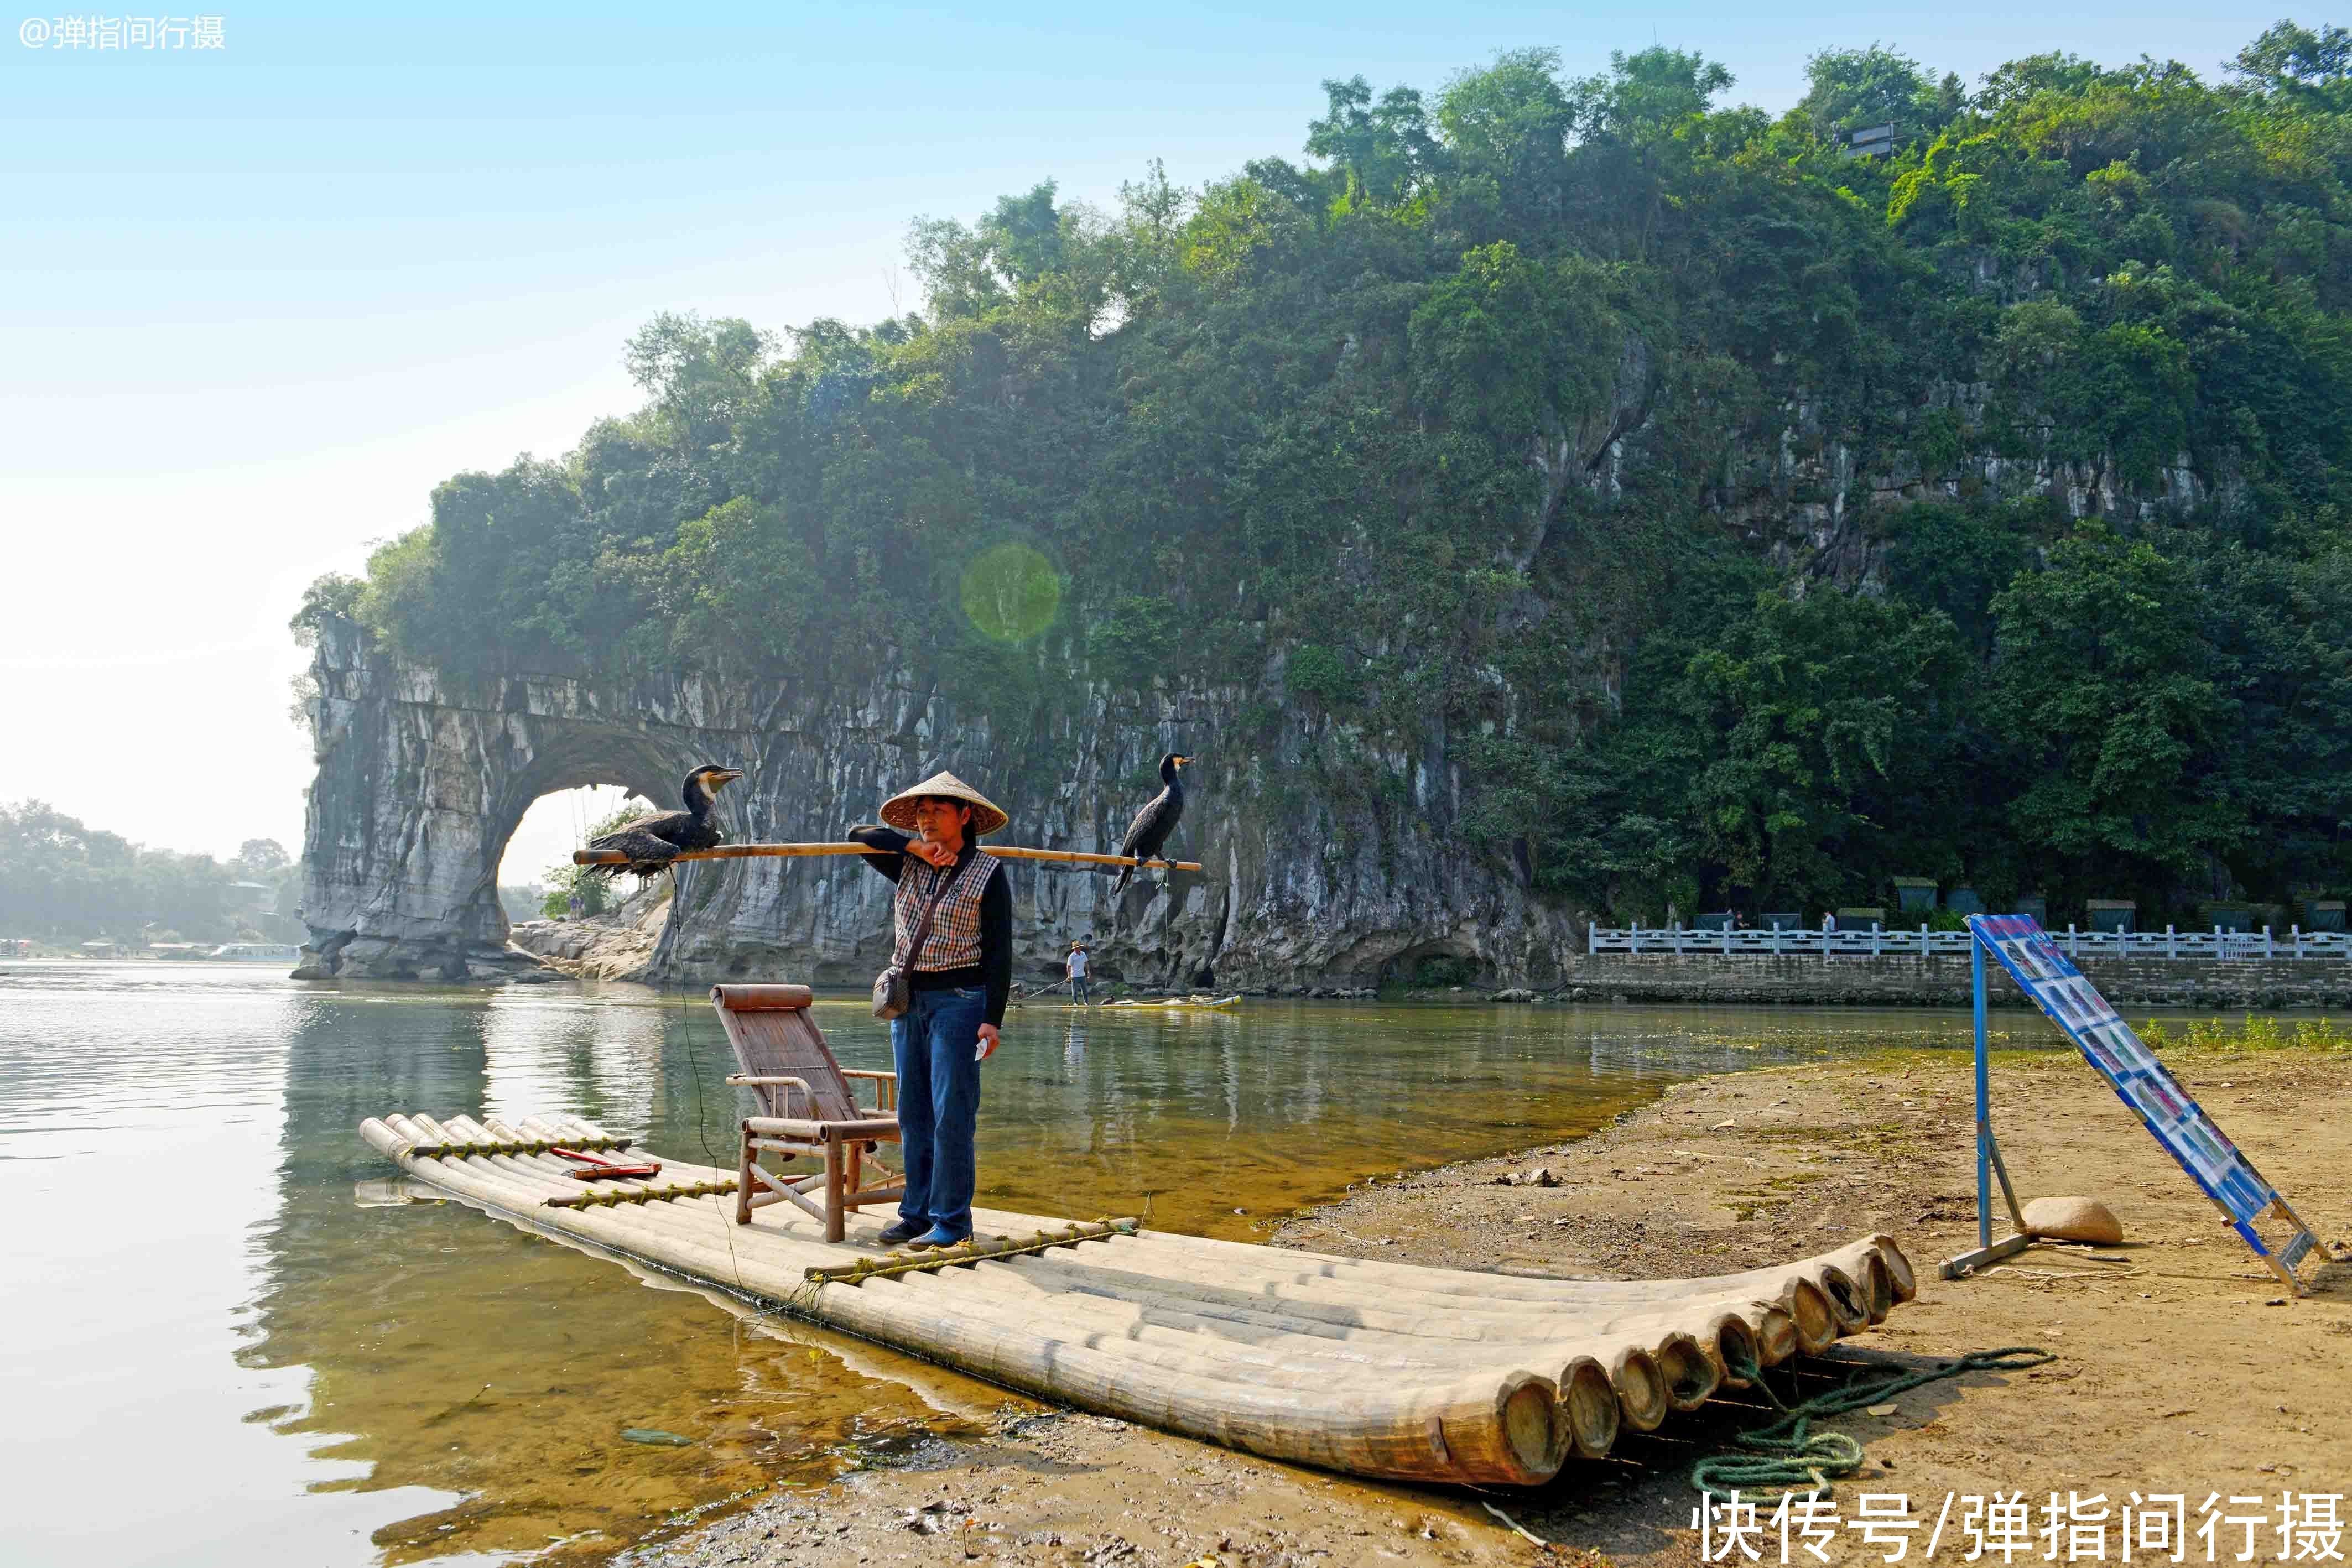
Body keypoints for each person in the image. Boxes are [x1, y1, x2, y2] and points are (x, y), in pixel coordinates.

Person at [847, 771, 1011, 1251]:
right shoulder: (907, 864)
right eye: (921, 812)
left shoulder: (988, 873)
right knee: (913, 1113)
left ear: (965, 816)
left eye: (938, 810)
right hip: (907, 1002)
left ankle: (952, 1220)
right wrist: (911, 848)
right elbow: (858, 837)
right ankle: (915, 1214)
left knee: (951, 1113)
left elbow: (1000, 953)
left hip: (961, 1003)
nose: (927, 819)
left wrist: (992, 1019)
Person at [1066, 939, 1090, 1006]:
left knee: (1085, 990)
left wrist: (1088, 972)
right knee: (1075, 991)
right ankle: (1075, 1003)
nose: (1080, 948)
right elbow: (1068, 967)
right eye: (1078, 947)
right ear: (1075, 949)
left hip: (1082, 975)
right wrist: (1069, 976)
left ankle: (1086, 1002)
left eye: (1080, 947)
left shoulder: (1083, 954)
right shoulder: (1072, 956)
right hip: (1074, 976)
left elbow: (1086, 963)